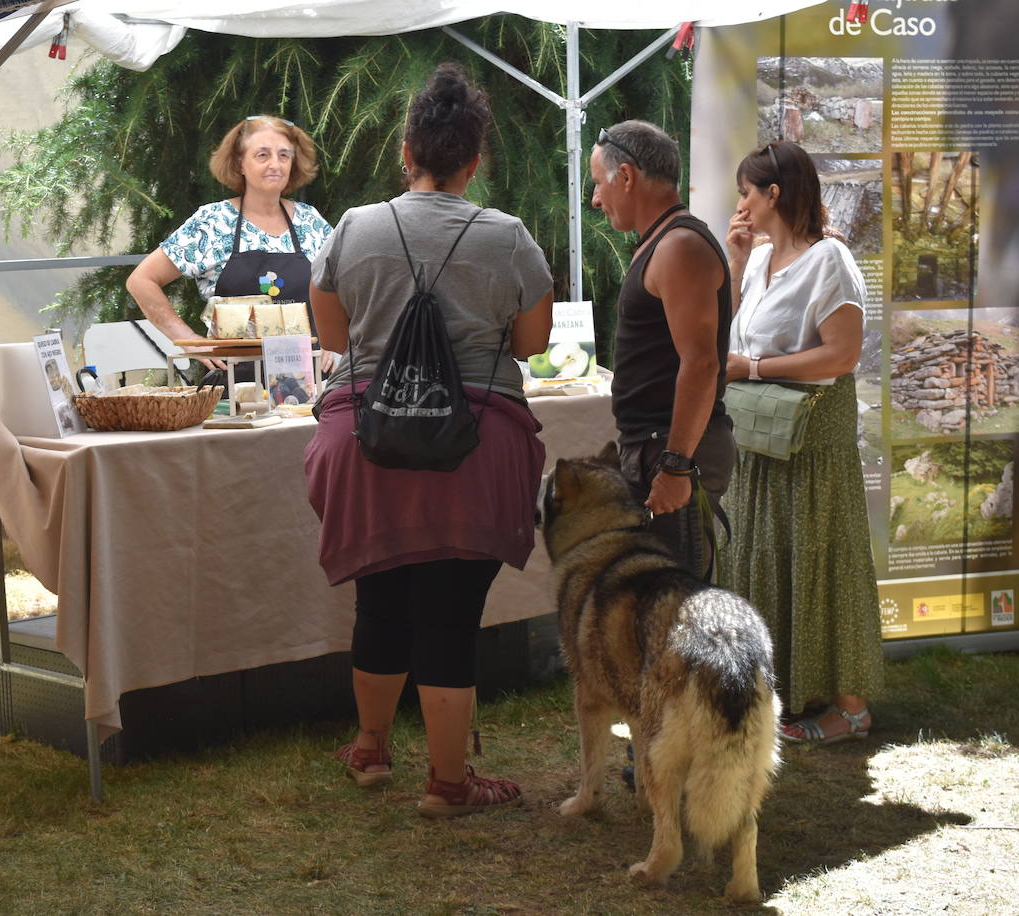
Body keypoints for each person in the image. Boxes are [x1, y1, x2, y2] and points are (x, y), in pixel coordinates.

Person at [304, 63, 553, 818]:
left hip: (365, 442)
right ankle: (448, 785)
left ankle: (372, 751)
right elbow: (531, 344)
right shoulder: (507, 237)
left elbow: (332, 334)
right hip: (473, 446)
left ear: (405, 150)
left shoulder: (354, 227)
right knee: (449, 613)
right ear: (474, 161)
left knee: (380, 600)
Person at [721, 139, 882, 744]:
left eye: (746, 192)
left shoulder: (829, 260)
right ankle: (785, 687)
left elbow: (842, 354)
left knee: (822, 552)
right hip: (762, 433)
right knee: (768, 550)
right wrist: (737, 263)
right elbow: (730, 335)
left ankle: (851, 706)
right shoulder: (760, 261)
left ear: (774, 194)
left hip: (812, 433)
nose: (740, 204)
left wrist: (756, 370)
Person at [589, 120, 735, 576]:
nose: (595, 199)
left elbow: (702, 362)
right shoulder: (662, 243)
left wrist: (675, 466)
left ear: (627, 177)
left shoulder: (679, 246)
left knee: (675, 612)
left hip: (671, 454)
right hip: (655, 449)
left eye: (598, 183)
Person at [125, 115, 336, 373]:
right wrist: (189, 340)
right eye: (262, 155)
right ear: (240, 164)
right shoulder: (213, 222)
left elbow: (345, 287)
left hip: (308, 389)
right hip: (235, 389)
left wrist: (333, 341)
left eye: (284, 155)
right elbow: (141, 281)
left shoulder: (310, 221)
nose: (275, 164)